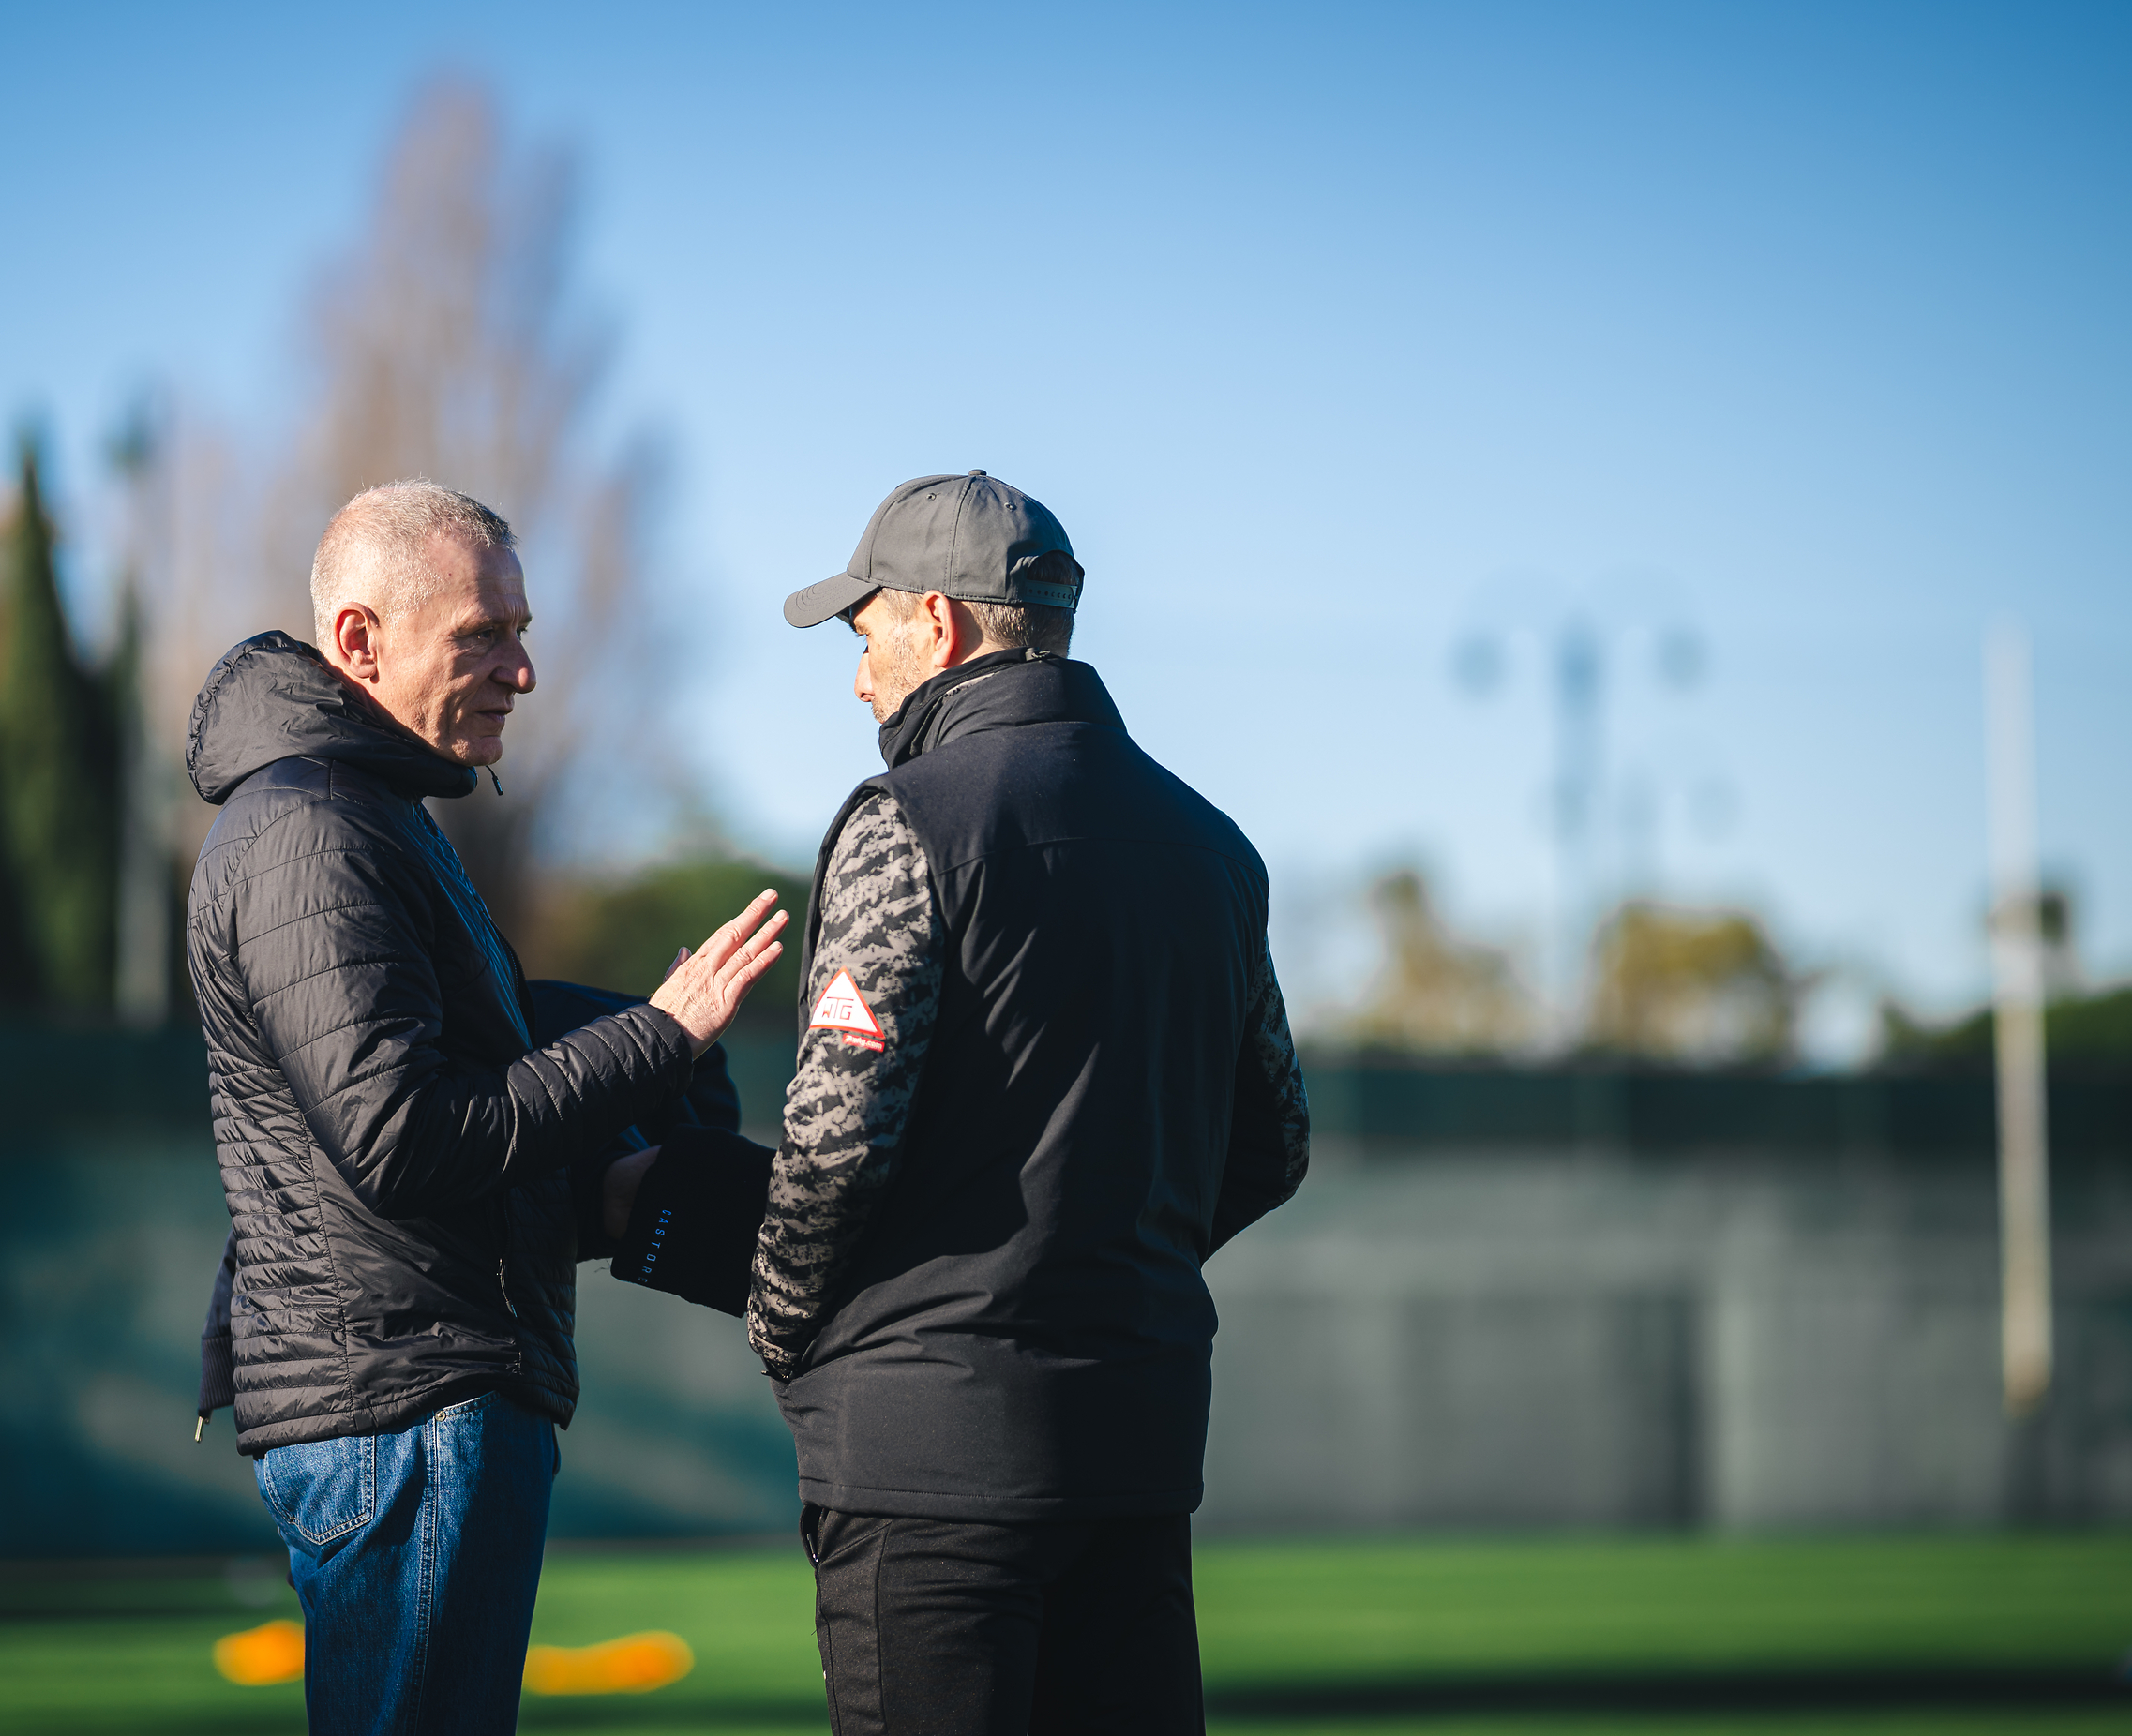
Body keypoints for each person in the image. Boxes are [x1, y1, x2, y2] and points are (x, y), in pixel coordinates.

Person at [607, 471, 1310, 1734]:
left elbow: (835, 1147)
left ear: (936, 623)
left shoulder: (909, 821)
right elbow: (1274, 1143)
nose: (857, 678)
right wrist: (1098, 1268)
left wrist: (784, 1330)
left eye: (864, 633)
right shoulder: (1215, 847)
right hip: (1137, 1450)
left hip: (926, 1471)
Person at [182, 479, 786, 1736]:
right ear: (360, 640)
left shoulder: (368, 814)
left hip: (414, 1396)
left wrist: (633, 1153)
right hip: (409, 1407)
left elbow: (437, 1108)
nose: (523, 669)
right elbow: (405, 1141)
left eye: (522, 630)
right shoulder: (314, 832)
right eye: (483, 635)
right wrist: (658, 1034)